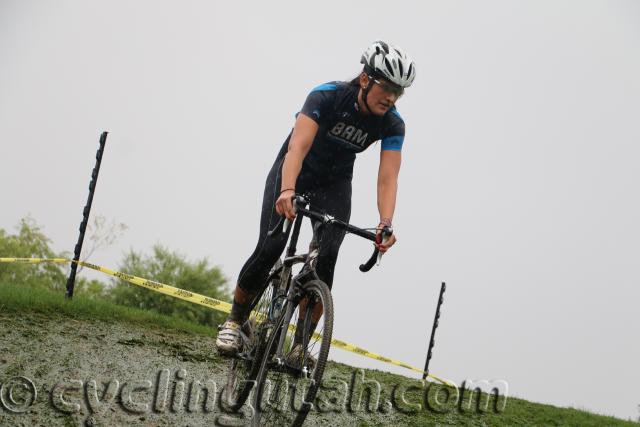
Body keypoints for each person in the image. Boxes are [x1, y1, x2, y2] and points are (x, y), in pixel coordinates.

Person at [216, 41, 416, 355]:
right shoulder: (326, 96)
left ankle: (299, 346)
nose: (392, 97)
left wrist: (385, 223)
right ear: (365, 80)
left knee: (328, 254)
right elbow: (297, 147)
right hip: (295, 171)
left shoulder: (392, 123)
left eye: (399, 91)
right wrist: (286, 190)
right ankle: (234, 321)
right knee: (270, 247)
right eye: (387, 87)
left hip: (335, 182)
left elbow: (388, 177)